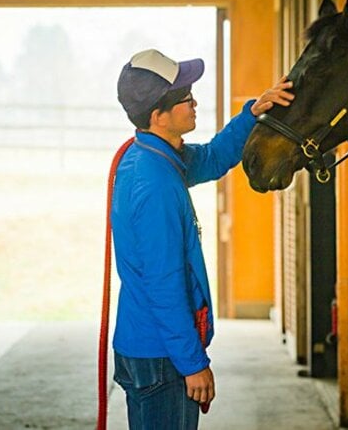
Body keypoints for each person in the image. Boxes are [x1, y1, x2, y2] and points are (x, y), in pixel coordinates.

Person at [111, 48, 293, 430]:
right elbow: (164, 284)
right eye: (184, 98)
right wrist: (193, 364)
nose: (195, 102)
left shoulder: (154, 156)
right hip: (161, 356)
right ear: (157, 116)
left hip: (148, 345)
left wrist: (253, 112)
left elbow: (211, 157)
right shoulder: (155, 183)